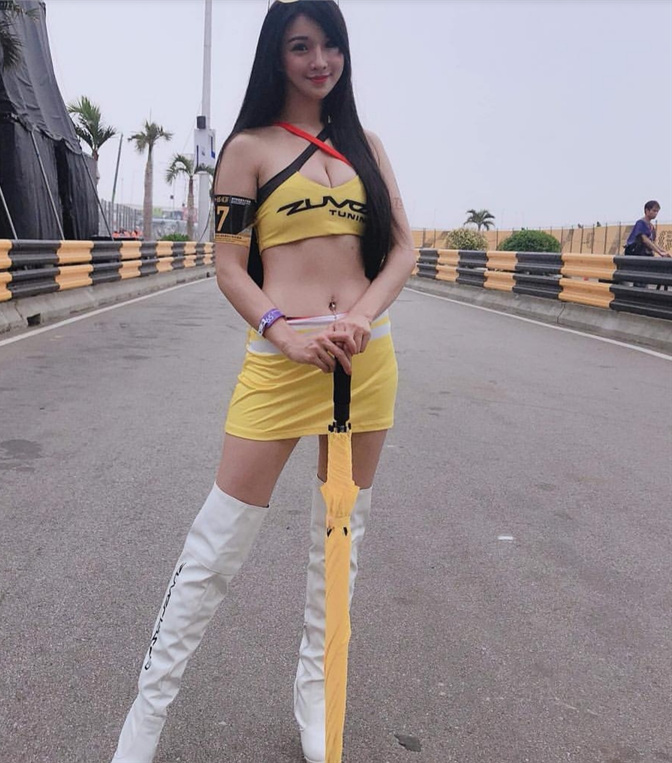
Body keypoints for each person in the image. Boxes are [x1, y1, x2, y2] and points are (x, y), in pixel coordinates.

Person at [111, 2, 416, 761]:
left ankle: (317, 692)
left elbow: (404, 251)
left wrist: (360, 318)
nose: (319, 61)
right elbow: (228, 267)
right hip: (281, 365)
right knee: (216, 543)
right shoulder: (247, 150)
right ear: (276, 55)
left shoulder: (367, 146)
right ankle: (147, 715)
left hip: (363, 362)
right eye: (301, 46)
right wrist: (283, 332)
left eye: (330, 45)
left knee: (339, 537)